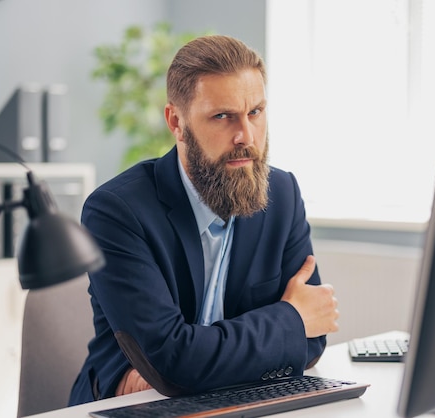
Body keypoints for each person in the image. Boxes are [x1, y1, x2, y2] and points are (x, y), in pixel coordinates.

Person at [69, 34, 339, 405]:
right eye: (222, 116)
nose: (245, 135)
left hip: (242, 402)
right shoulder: (115, 212)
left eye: (255, 112)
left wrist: (195, 364)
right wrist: (289, 320)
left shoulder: (283, 193)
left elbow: (314, 335)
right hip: (133, 405)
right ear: (176, 122)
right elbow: (172, 360)